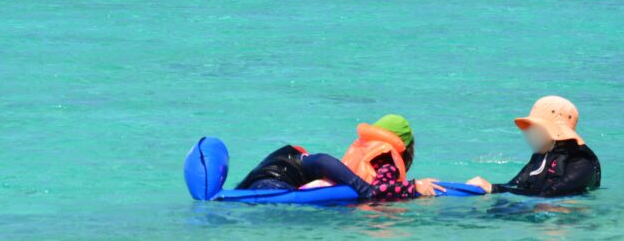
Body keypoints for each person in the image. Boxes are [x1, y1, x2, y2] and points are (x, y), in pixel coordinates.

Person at [235, 114, 446, 200]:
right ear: (407, 149)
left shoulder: (364, 151)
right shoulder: (386, 161)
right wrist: (413, 187)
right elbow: (379, 190)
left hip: (250, 185)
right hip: (274, 188)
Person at [467, 96, 601, 197]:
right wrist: (484, 187)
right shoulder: (540, 157)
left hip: (564, 223)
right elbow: (515, 185)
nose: (529, 133)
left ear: (554, 131)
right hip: (536, 210)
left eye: (535, 128)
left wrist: (494, 188)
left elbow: (550, 193)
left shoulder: (582, 163)